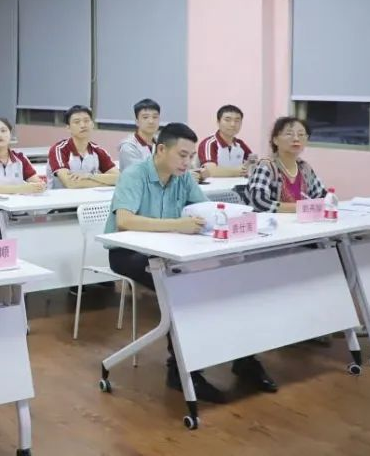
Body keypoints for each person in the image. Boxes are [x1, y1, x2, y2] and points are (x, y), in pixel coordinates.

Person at [106, 122, 277, 401]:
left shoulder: (183, 177)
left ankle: (245, 361)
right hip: (128, 253)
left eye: (191, 156)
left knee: (229, 282)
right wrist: (177, 224)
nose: (188, 162)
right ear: (162, 150)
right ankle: (182, 372)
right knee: (182, 289)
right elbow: (125, 221)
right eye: (182, 155)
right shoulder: (135, 175)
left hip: (172, 250)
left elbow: (205, 210)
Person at [248, 117, 328, 212]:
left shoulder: (304, 167)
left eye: (301, 134)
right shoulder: (266, 165)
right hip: (273, 220)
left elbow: (322, 196)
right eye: (289, 134)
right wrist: (300, 208)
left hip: (302, 220)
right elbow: (258, 201)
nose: (296, 139)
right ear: (275, 140)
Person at [47, 106, 119, 189]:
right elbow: (70, 183)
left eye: (86, 121)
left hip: (91, 196)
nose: (83, 125)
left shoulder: (98, 151)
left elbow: (120, 179)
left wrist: (90, 176)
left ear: (92, 124)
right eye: (77, 122)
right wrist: (107, 184)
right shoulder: (59, 150)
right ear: (68, 128)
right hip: (61, 197)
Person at [0, 116, 45, 194]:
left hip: (18, 201)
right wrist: (21, 189)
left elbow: (36, 181)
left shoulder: (20, 157)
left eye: (3, 131)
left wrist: (40, 185)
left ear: (10, 134)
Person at [198, 105, 255, 177]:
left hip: (239, 183)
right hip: (214, 184)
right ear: (218, 122)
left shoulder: (240, 144)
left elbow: (253, 162)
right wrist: (237, 171)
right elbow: (210, 171)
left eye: (237, 121)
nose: (233, 124)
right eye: (227, 120)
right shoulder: (209, 143)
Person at [118, 99, 160, 172]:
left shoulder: (163, 143)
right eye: (145, 117)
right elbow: (140, 174)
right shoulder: (128, 147)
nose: (151, 121)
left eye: (155, 117)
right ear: (137, 121)